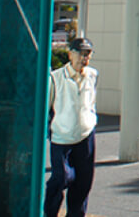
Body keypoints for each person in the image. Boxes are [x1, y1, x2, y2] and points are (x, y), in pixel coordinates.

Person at [45, 37, 98, 217]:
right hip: (61, 137)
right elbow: (48, 107)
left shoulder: (92, 75)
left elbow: (91, 102)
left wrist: (91, 118)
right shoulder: (55, 78)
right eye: (80, 53)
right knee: (62, 178)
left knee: (83, 182)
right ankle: (49, 212)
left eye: (88, 54)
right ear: (70, 54)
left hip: (85, 135)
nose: (84, 58)